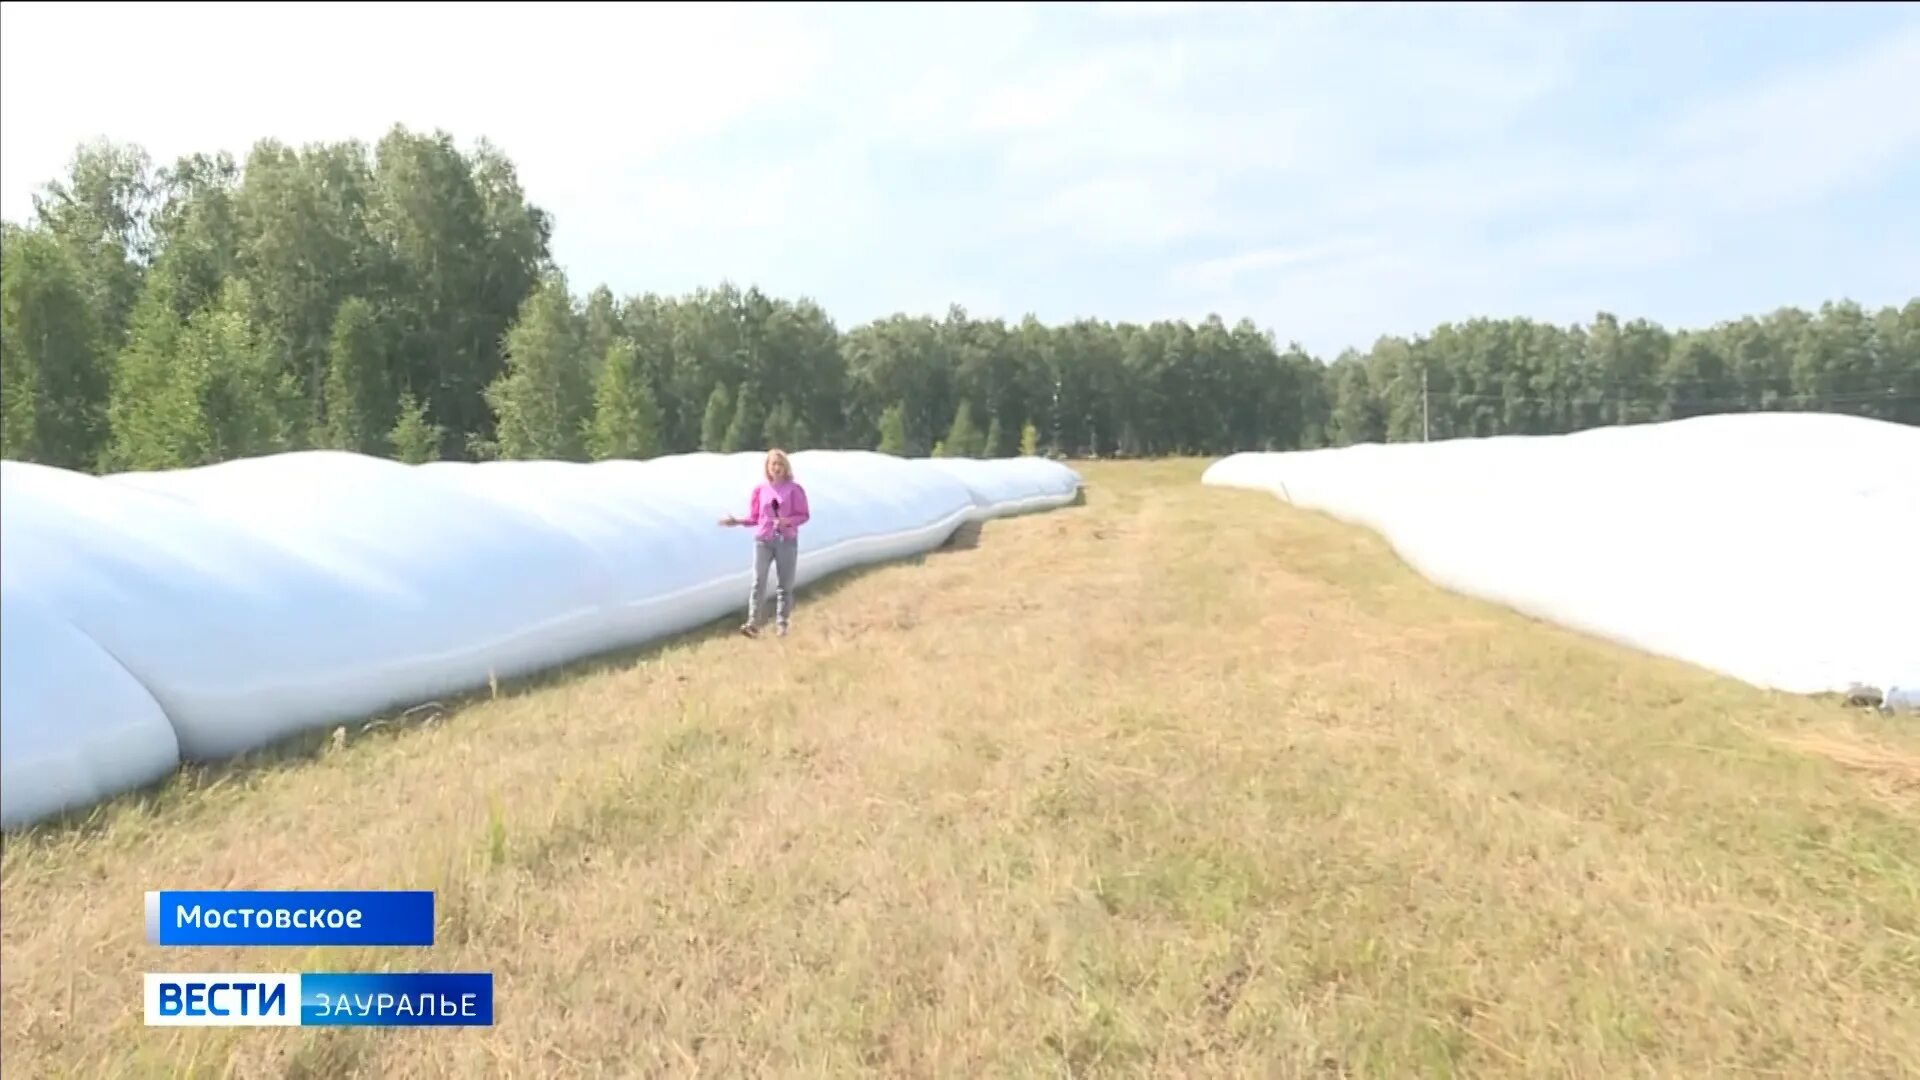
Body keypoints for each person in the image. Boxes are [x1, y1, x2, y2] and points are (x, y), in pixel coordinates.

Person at [719, 448, 811, 638]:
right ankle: (753, 622)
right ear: (767, 468)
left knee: (784, 584)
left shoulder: (794, 489)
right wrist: (736, 521)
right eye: (773, 464)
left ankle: (782, 624)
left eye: (779, 464)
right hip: (763, 540)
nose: (776, 468)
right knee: (758, 582)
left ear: (785, 467)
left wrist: (788, 521)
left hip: (786, 540)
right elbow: (755, 517)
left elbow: (804, 515)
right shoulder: (760, 490)